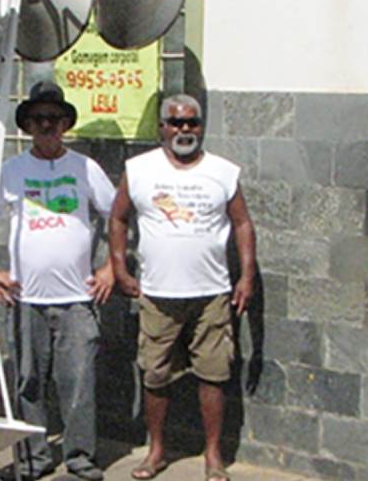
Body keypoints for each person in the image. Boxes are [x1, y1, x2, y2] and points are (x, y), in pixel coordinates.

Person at [0, 81, 116, 481]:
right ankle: (34, 458)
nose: (47, 126)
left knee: (79, 384)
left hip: (77, 300)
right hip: (25, 299)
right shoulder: (12, 170)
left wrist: (110, 269)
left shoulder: (85, 168)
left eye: (54, 119)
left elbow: (119, 214)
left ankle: (81, 458)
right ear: (28, 126)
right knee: (28, 384)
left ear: (66, 124)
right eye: (39, 119)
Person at [109, 95, 257, 481]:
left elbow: (242, 224)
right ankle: (156, 450)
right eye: (176, 123)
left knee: (214, 374)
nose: (184, 130)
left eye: (192, 122)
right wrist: (119, 267)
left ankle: (213, 455)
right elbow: (118, 218)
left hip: (211, 294)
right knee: (155, 375)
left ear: (201, 125)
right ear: (161, 126)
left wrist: (246, 276)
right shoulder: (139, 169)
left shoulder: (223, 172)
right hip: (157, 295)